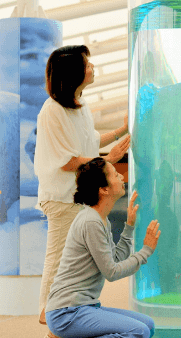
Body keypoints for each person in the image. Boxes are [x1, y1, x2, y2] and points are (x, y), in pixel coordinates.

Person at [34, 45, 131, 338]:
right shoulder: (52, 111)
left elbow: (88, 139)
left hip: (76, 197)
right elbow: (69, 160)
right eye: (87, 64)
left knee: (72, 258)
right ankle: (48, 313)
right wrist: (108, 159)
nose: (92, 67)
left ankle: (57, 314)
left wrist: (119, 131)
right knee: (59, 255)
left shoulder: (80, 104)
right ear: (73, 72)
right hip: (62, 197)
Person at [45, 158, 160, 338]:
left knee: (148, 325)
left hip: (84, 307)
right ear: (104, 189)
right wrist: (146, 250)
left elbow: (115, 259)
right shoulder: (90, 221)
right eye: (115, 174)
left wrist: (129, 226)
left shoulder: (101, 219)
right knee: (139, 331)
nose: (121, 177)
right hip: (67, 312)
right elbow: (112, 272)